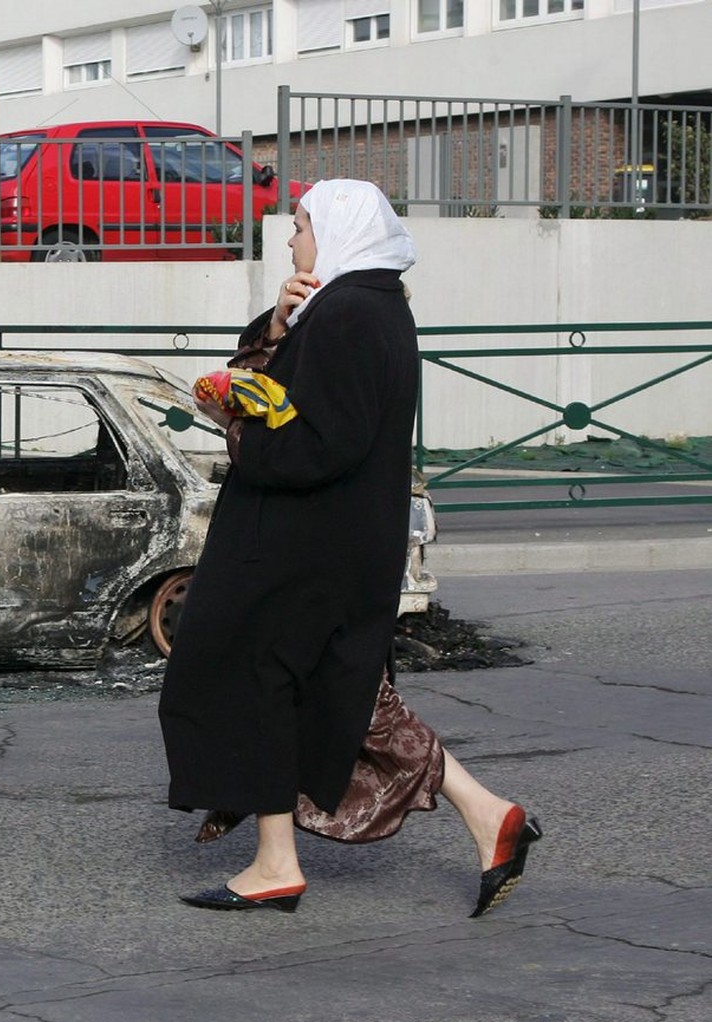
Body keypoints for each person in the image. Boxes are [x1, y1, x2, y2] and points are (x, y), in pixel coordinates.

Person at [158, 179, 540, 917]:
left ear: (336, 231)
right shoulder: (358, 304)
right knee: (332, 694)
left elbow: (318, 444)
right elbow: (293, 395)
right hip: (329, 543)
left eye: (301, 226)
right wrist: (276, 319)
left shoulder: (351, 315)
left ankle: (277, 863)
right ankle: (485, 817)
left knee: (258, 677)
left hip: (304, 546)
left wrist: (233, 427)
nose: (294, 241)